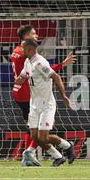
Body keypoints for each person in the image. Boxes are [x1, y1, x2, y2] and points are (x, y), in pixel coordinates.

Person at [12, 26, 76, 167]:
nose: (21, 50)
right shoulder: (28, 62)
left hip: (47, 105)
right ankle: (58, 157)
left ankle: (67, 146)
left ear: (29, 49)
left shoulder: (40, 63)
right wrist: (19, 80)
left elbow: (57, 77)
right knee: (34, 136)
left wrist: (64, 96)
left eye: (23, 48)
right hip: (34, 105)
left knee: (43, 137)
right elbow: (23, 75)